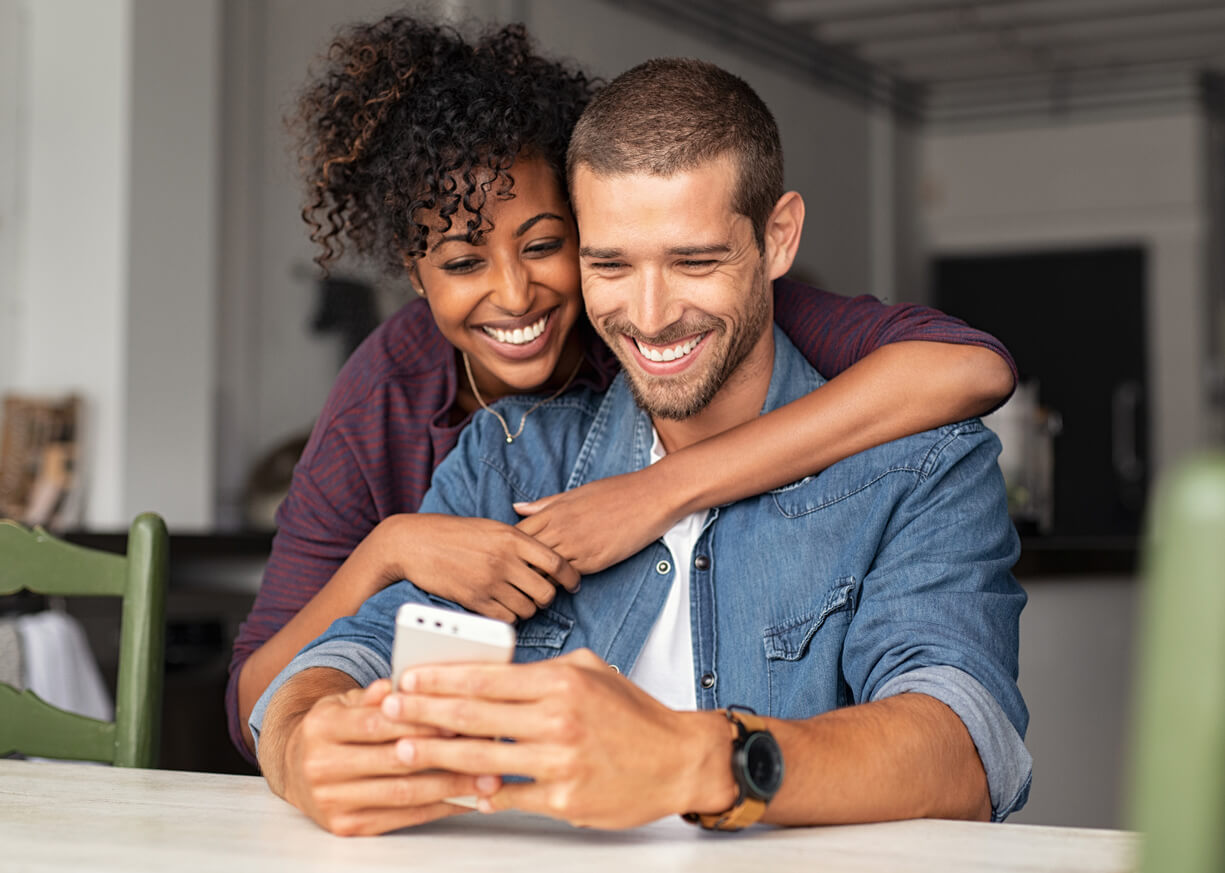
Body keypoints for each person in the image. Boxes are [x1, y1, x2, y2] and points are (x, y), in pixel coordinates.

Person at [249, 56, 1030, 837]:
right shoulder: (507, 455)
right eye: (610, 264)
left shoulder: (923, 464)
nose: (651, 316)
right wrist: (301, 745)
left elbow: (962, 749)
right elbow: (339, 658)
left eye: (695, 260)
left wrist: (696, 759)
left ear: (777, 237)